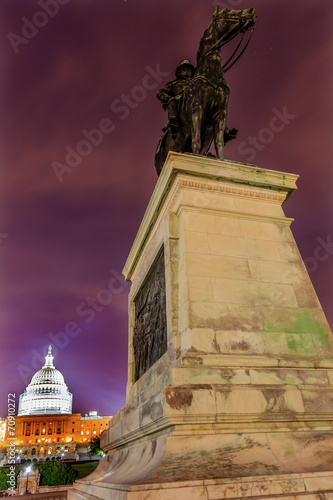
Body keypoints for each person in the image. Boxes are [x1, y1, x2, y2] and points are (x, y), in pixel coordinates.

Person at [157, 60, 195, 138]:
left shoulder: (196, 83)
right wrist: (168, 99)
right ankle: (173, 120)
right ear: (180, 71)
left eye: (188, 69)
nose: (187, 71)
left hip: (195, 101)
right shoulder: (173, 83)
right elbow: (160, 92)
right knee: (173, 100)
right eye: (184, 69)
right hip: (179, 100)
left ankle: (222, 130)